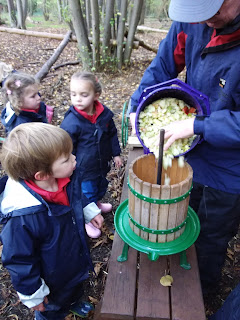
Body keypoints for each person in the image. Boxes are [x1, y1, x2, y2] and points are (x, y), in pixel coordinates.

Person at [129, 0, 240, 294]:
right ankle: (176, 271)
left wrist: (196, 126)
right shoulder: (193, 20)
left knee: (213, 231)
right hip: (193, 149)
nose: (204, 22)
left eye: (212, 12)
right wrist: (137, 104)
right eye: (197, 15)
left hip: (232, 166)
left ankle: (199, 291)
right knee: (183, 214)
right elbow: (163, 65)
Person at [0, 122, 104, 320]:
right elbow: (19, 260)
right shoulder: (22, 218)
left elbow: (75, 196)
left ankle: (74, 302)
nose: (74, 159)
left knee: (74, 287)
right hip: (51, 275)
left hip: (71, 255)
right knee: (53, 307)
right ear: (42, 175)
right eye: (66, 159)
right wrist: (33, 295)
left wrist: (88, 210)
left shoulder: (64, 179)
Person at [61, 71, 122, 238]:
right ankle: (86, 218)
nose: (78, 99)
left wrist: (116, 153)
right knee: (86, 192)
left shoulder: (104, 115)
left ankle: (96, 203)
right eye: (73, 94)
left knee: (100, 185)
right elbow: (65, 148)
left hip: (101, 163)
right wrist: (68, 168)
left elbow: (111, 134)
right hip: (83, 168)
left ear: (96, 95)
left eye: (83, 94)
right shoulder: (71, 123)